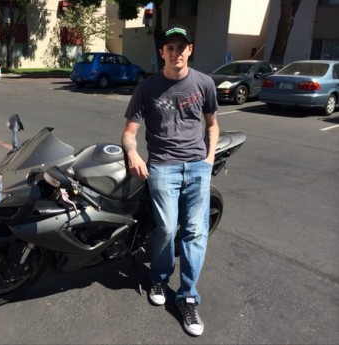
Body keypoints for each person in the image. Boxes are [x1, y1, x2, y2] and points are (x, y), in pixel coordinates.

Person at [121, 24, 219, 336]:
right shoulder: (147, 88)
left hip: (197, 166)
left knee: (194, 231)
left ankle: (188, 295)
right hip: (163, 166)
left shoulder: (204, 83)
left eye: (181, 47)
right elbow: (129, 132)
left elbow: (213, 124)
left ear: (190, 49)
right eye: (170, 48)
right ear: (162, 52)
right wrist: (133, 154)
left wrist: (209, 159)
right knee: (165, 228)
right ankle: (159, 279)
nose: (175, 53)